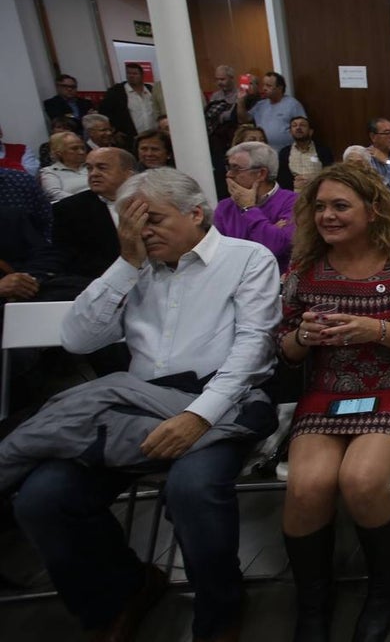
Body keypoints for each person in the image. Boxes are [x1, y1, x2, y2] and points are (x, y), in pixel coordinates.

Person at [7, 167, 281, 642]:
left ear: (195, 213)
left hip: (218, 405)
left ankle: (219, 610)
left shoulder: (246, 259)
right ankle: (122, 592)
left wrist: (197, 416)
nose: (142, 233)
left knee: (192, 488)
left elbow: (253, 349)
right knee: (42, 498)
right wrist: (125, 264)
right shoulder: (135, 269)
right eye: (131, 223)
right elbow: (77, 340)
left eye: (151, 220)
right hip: (131, 410)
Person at [276, 164, 390, 642]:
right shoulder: (304, 268)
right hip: (328, 391)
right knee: (307, 485)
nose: (327, 215)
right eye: (320, 206)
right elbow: (284, 348)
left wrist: (378, 331)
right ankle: (313, 603)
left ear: (372, 211)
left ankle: (382, 591)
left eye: (340, 205)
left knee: (362, 479)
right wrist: (303, 337)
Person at [51, 148, 139, 282]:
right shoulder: (69, 209)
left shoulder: (154, 201)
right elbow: (67, 259)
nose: (93, 174)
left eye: (102, 168)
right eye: (89, 169)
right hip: (100, 282)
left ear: (129, 174)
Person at [214, 142, 297, 273]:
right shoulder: (224, 207)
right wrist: (270, 230)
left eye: (236, 168)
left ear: (261, 174)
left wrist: (249, 208)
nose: (229, 174)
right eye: (228, 167)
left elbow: (275, 247)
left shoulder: (293, 201)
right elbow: (219, 256)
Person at [237, 71, 307, 150]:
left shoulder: (293, 104)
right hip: (264, 152)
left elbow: (304, 128)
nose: (264, 88)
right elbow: (244, 119)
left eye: (268, 86)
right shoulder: (260, 105)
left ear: (280, 88)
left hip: (287, 153)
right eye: (264, 85)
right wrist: (241, 100)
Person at [99, 62, 158, 143]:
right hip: (129, 137)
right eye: (128, 73)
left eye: (135, 73)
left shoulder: (150, 90)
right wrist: (114, 131)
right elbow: (104, 112)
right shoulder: (116, 91)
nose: (131, 76)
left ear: (142, 75)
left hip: (152, 135)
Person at [277, 116, 334, 191]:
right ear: (290, 132)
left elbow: (331, 174)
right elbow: (282, 178)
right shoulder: (284, 152)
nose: (298, 128)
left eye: (302, 125)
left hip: (318, 191)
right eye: (294, 125)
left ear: (310, 131)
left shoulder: (323, 150)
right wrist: (293, 184)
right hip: (294, 194)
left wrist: (314, 180)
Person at [38, 131, 89, 203]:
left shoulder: (92, 166)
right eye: (74, 148)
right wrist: (83, 201)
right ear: (59, 153)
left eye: (83, 148)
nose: (81, 152)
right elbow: (54, 193)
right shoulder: (50, 171)